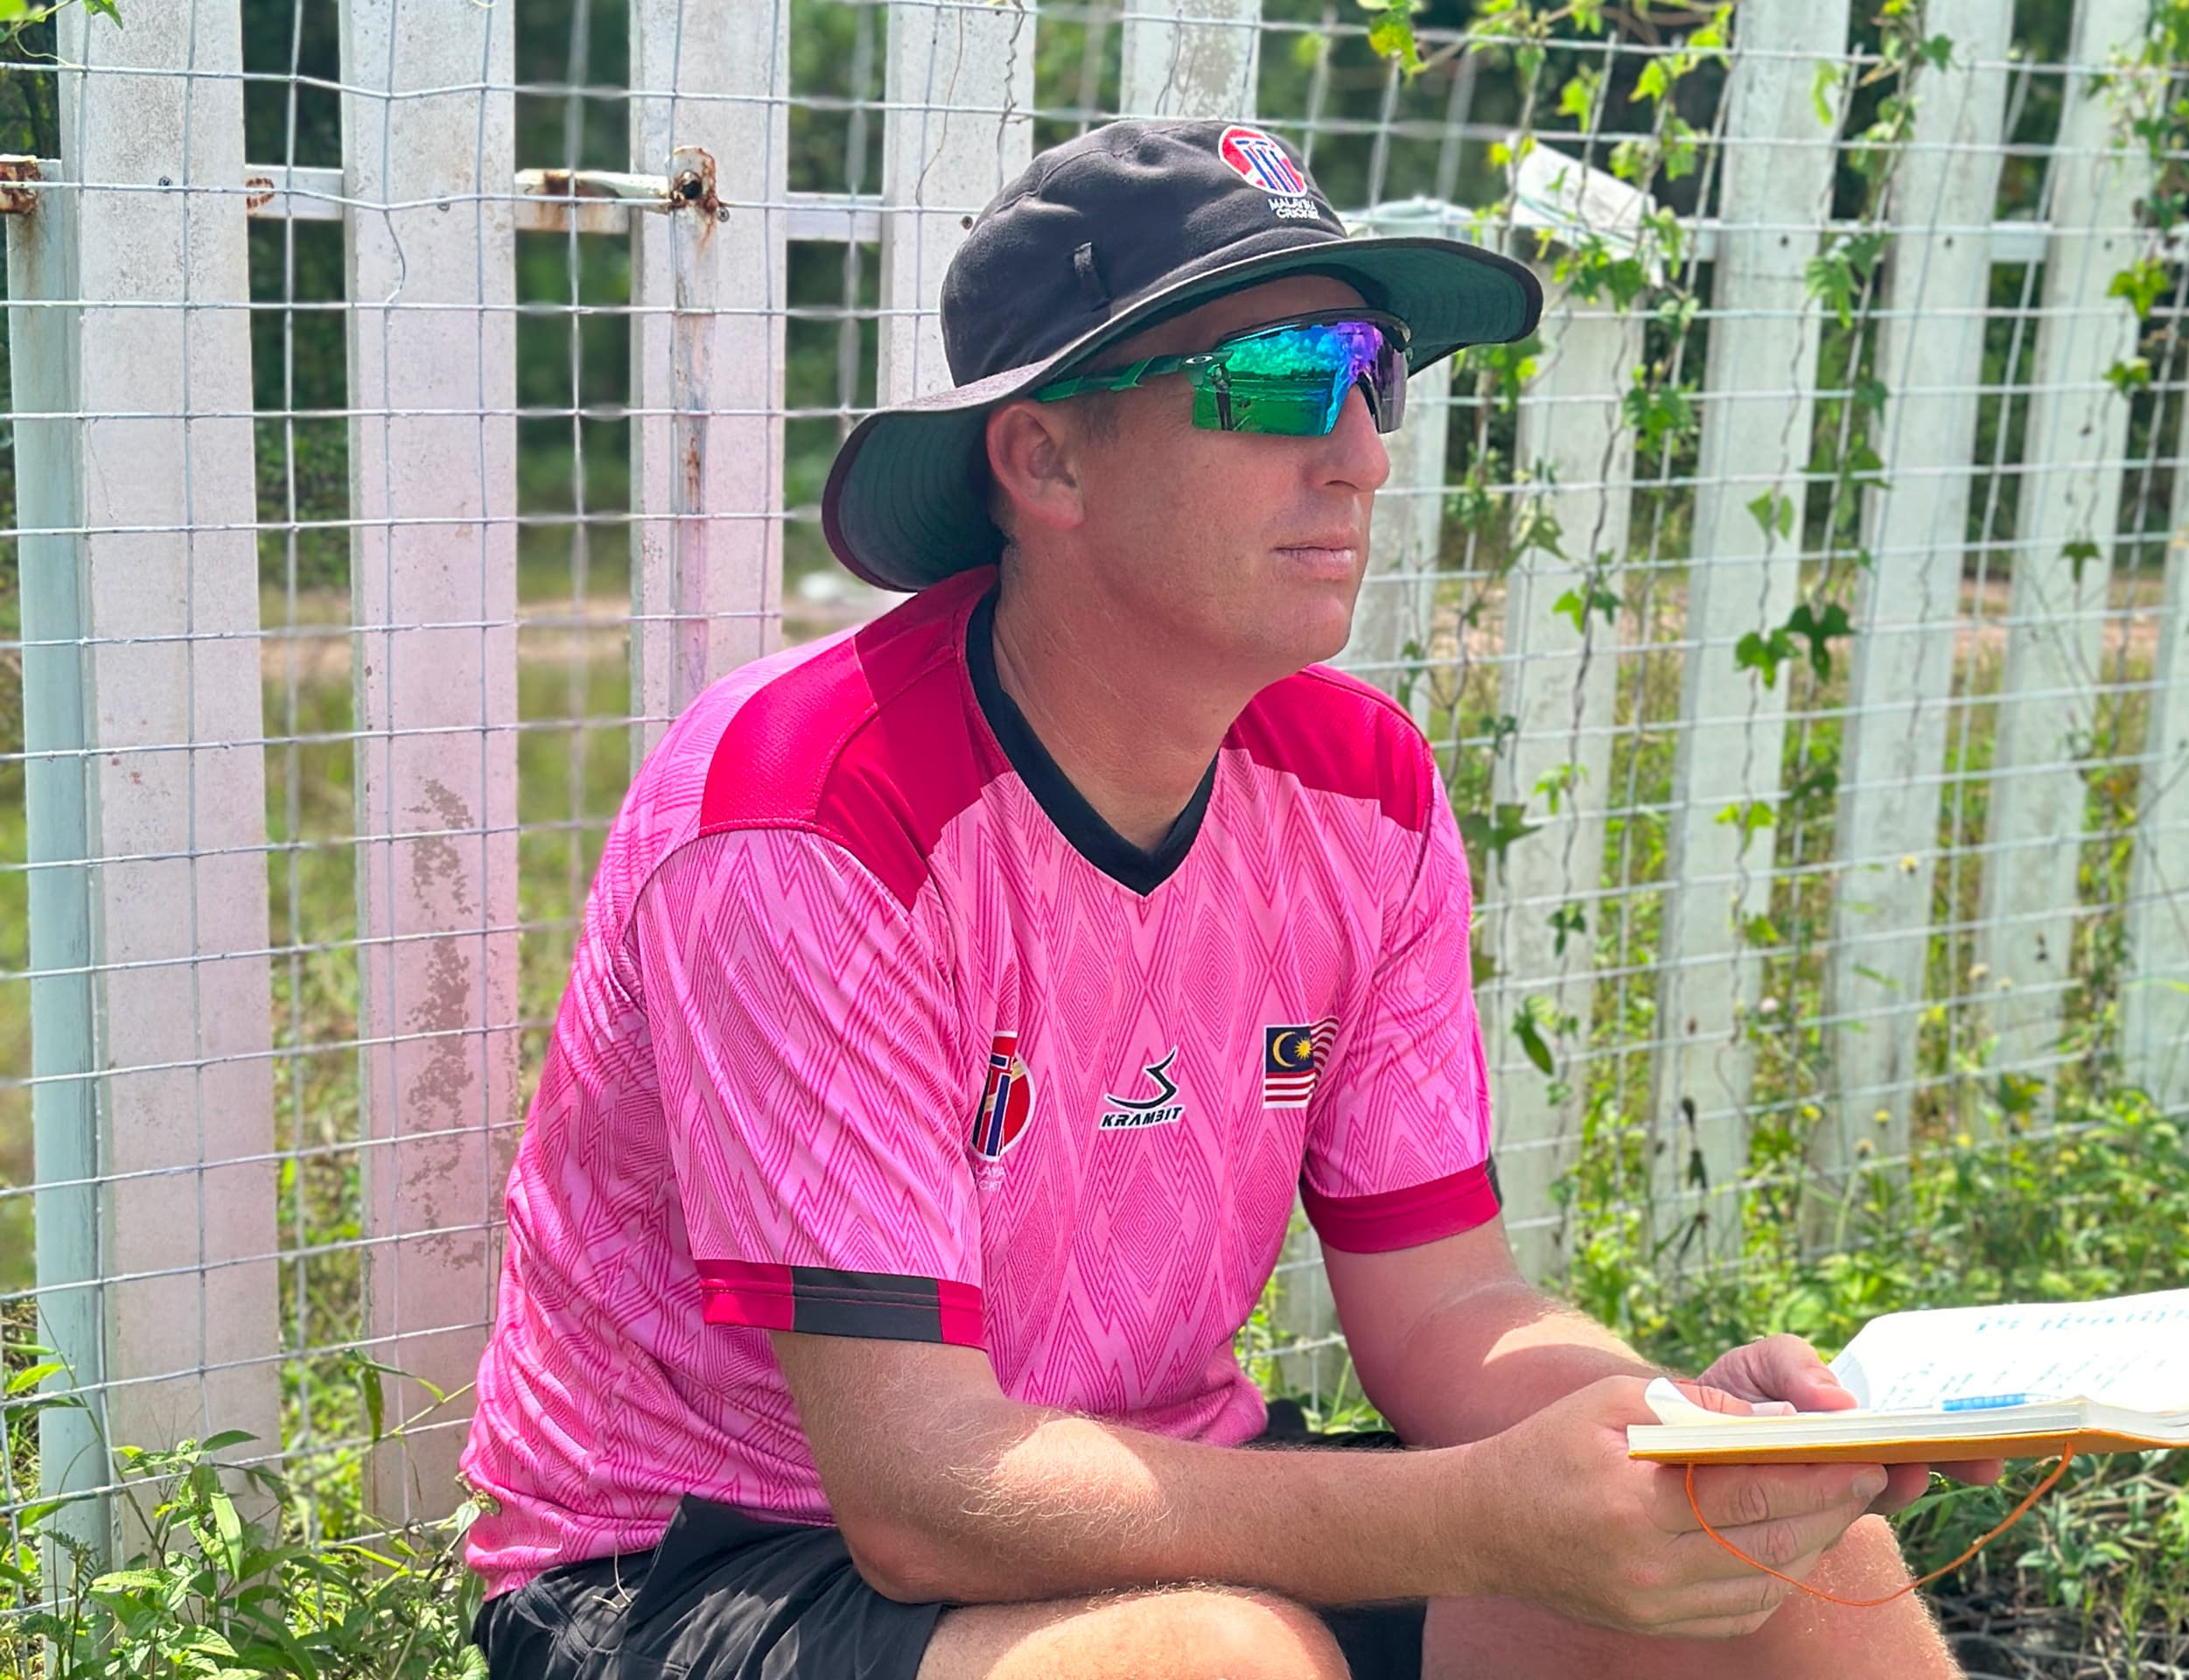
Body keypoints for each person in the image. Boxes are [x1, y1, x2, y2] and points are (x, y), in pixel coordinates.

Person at [459, 117, 1997, 1680]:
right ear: (1045, 458)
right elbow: (922, 1497)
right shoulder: (813, 812)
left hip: (1152, 1499)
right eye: (1278, 380)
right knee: (1224, 1663)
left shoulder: (1364, 791)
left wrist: (1688, 1437)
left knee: (1792, 1565)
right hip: (701, 1563)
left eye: (1372, 375)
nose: (1362, 455)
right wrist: (1480, 1519)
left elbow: (1448, 1308)